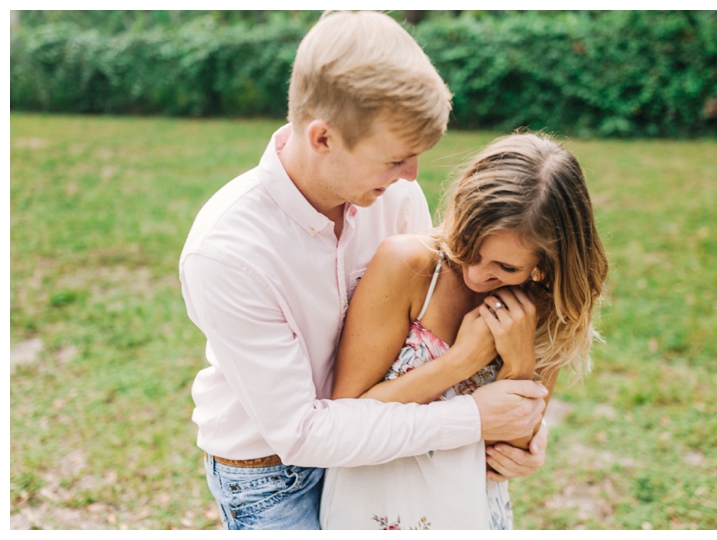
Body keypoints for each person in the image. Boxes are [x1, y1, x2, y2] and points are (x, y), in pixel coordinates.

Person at [179, 11, 550, 531]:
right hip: (276, 476)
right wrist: (474, 418)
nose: (412, 176)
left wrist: (523, 431)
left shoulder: (395, 195)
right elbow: (301, 432)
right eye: (395, 158)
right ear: (323, 137)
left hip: (387, 447)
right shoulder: (227, 253)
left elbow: (424, 343)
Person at [320, 133, 608, 529]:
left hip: (472, 510)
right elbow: (345, 417)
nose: (475, 273)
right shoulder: (408, 265)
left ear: (546, 263)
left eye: (506, 268)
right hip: (379, 506)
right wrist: (460, 362)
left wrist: (520, 360)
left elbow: (506, 456)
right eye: (469, 246)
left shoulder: (543, 307)